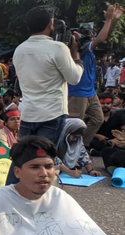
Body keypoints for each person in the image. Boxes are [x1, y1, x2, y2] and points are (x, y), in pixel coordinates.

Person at [13, 6, 83, 147]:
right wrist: (76, 55)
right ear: (51, 24)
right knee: (43, 157)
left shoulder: (19, 50)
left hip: (28, 113)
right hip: (52, 113)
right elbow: (74, 78)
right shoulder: (57, 48)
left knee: (23, 157)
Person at [68, 5, 124, 148]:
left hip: (90, 92)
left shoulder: (88, 49)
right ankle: (71, 151)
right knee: (75, 127)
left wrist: (114, 21)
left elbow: (104, 37)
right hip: (78, 94)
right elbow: (102, 37)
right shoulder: (81, 49)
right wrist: (108, 20)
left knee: (98, 119)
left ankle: (81, 147)